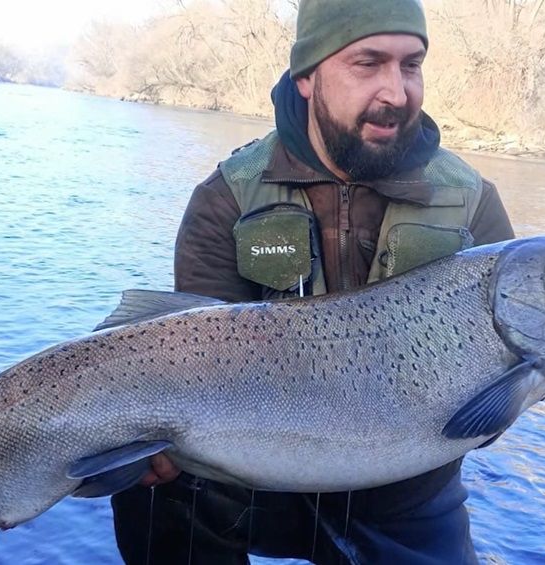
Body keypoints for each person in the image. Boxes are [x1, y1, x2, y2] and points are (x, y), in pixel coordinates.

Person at [111, 0, 514, 563]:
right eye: (367, 64)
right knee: (153, 490)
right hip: (248, 468)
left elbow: (494, 404)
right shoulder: (228, 196)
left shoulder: (472, 205)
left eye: (411, 64)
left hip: (406, 493)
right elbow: (195, 357)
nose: (396, 92)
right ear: (307, 76)